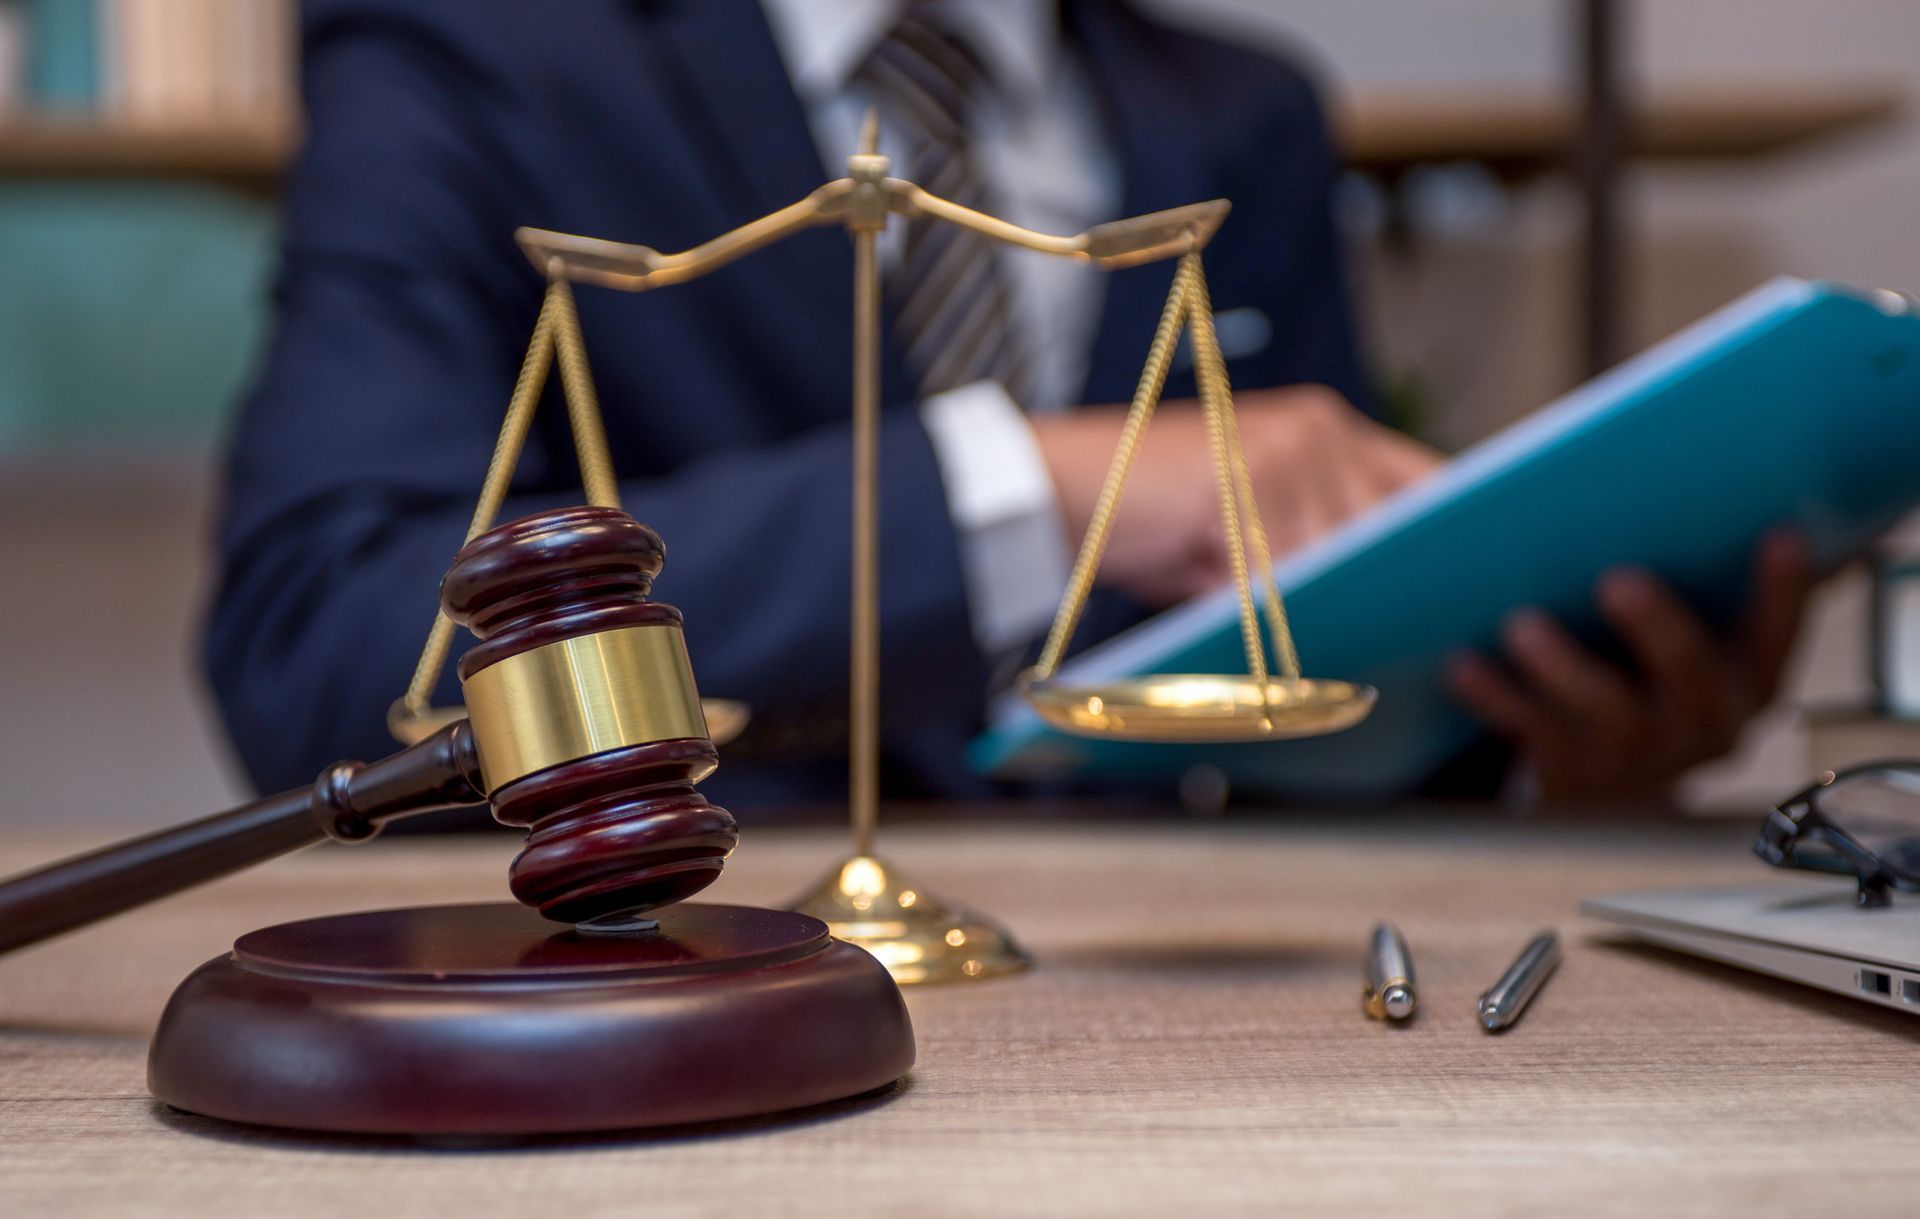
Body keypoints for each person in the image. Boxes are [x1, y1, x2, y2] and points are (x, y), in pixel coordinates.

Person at [205, 0, 1811, 815]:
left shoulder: (1242, 117)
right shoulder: (471, 57)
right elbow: (323, 648)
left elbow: (1291, 692)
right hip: (703, 1001)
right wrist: (1028, 487)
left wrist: (1545, 741)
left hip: (1208, 1034)